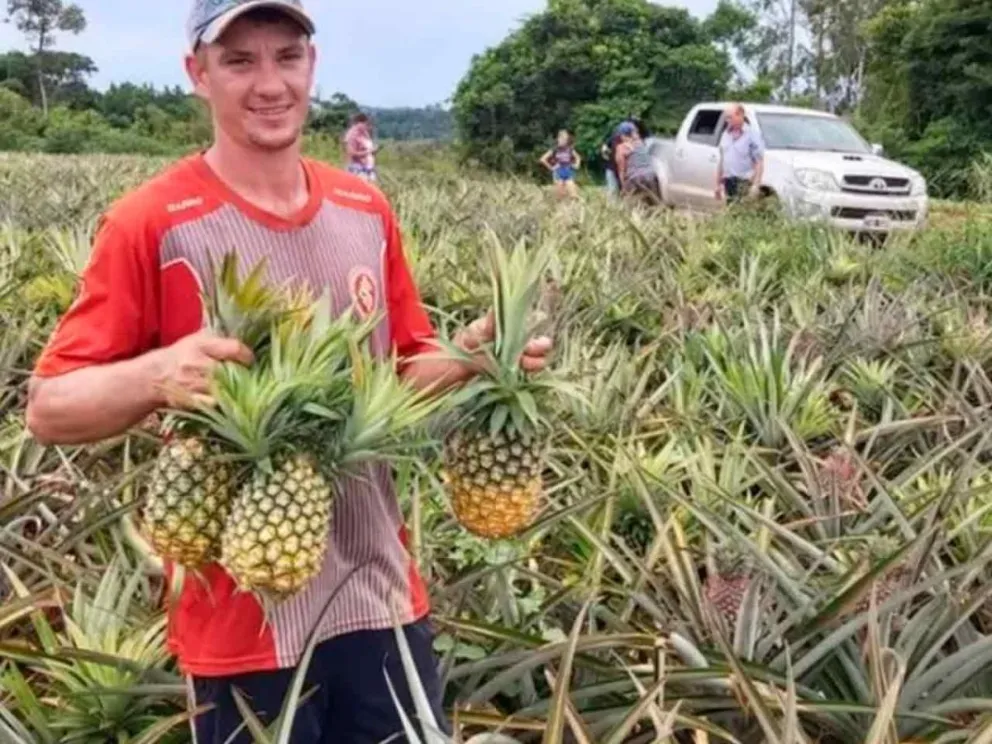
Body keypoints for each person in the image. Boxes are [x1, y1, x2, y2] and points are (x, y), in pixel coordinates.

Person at [23, 2, 553, 742]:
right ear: (196, 74)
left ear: (312, 64)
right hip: (243, 625)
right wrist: (155, 374)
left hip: (382, 600)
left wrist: (472, 354)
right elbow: (49, 408)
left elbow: (399, 373)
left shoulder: (363, 208)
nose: (269, 82)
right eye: (239, 61)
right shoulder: (151, 222)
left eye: (287, 56)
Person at [715, 103, 765, 204]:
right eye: (726, 118)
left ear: (740, 115)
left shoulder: (752, 135)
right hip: (729, 181)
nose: (727, 121)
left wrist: (756, 185)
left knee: (742, 211)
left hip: (744, 182)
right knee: (731, 212)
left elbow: (759, 161)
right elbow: (722, 160)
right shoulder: (726, 134)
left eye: (730, 117)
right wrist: (717, 184)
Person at [615, 122, 662, 206]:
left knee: (633, 208)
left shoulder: (621, 148)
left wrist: (623, 186)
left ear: (622, 135)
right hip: (651, 177)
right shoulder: (641, 143)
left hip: (635, 180)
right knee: (653, 206)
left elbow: (621, 169)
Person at [539, 129, 581, 198]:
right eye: (562, 138)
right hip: (558, 172)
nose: (564, 140)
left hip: (568, 171)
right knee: (560, 196)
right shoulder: (554, 149)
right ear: (558, 139)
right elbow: (542, 159)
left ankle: (573, 207)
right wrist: (551, 168)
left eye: (565, 139)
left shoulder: (570, 149)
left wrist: (576, 165)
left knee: (573, 195)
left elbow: (578, 157)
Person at [343, 111, 378, 181]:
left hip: (368, 168)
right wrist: (368, 152)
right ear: (359, 123)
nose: (368, 127)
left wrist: (373, 152)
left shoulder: (365, 134)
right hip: (357, 169)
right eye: (366, 124)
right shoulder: (352, 135)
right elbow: (352, 153)